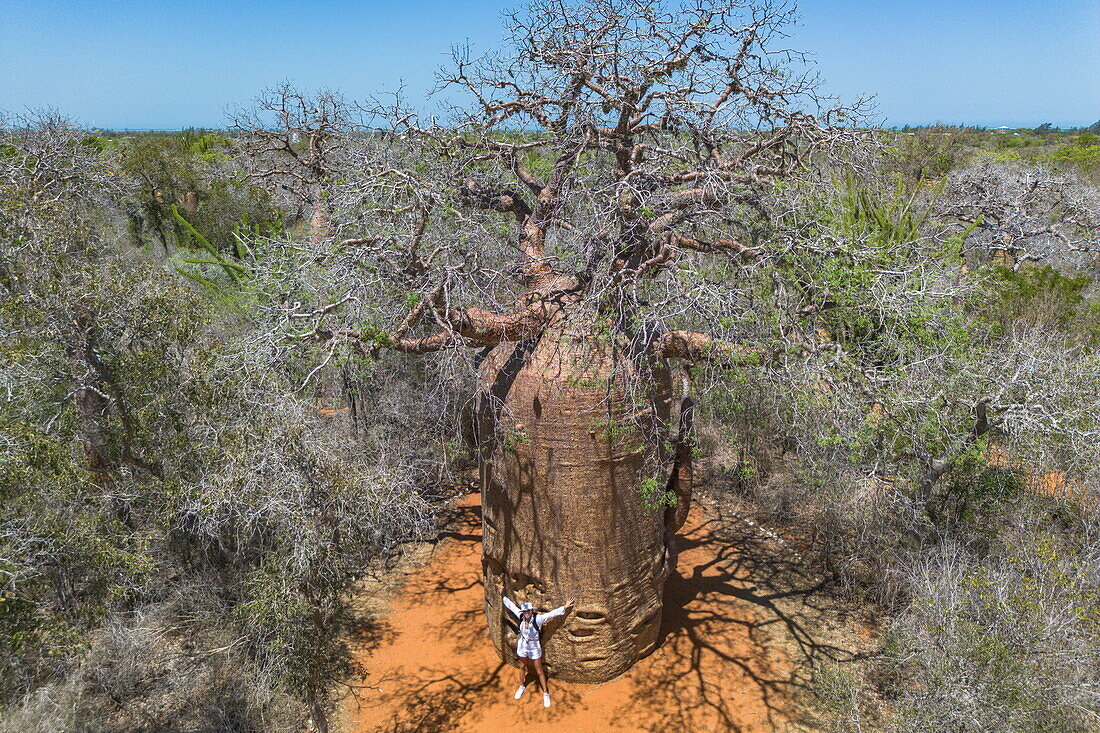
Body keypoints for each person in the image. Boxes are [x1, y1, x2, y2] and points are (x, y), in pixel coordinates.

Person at [502, 592, 576, 708]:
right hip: (523, 646)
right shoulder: (521, 617)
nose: (526, 613)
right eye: (525, 612)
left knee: (539, 671)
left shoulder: (538, 619)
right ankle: (521, 686)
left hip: (534, 648)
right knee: (522, 666)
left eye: (528, 611)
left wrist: (565, 607)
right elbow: (512, 607)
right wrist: (503, 596)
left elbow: (551, 614)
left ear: (531, 611)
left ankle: (546, 694)